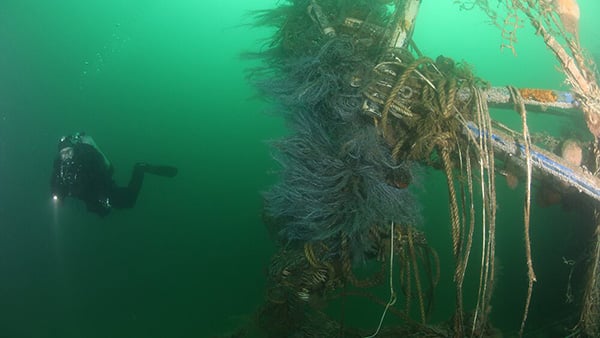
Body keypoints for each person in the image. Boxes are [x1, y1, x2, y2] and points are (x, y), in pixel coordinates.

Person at [50, 132, 178, 216]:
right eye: (63, 153)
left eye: (69, 151)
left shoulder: (86, 159)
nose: (66, 156)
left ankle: (140, 168)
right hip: (90, 199)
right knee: (103, 213)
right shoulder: (60, 168)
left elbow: (100, 174)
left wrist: (103, 196)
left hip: (103, 190)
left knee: (129, 202)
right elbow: (55, 184)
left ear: (74, 150)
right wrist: (58, 197)